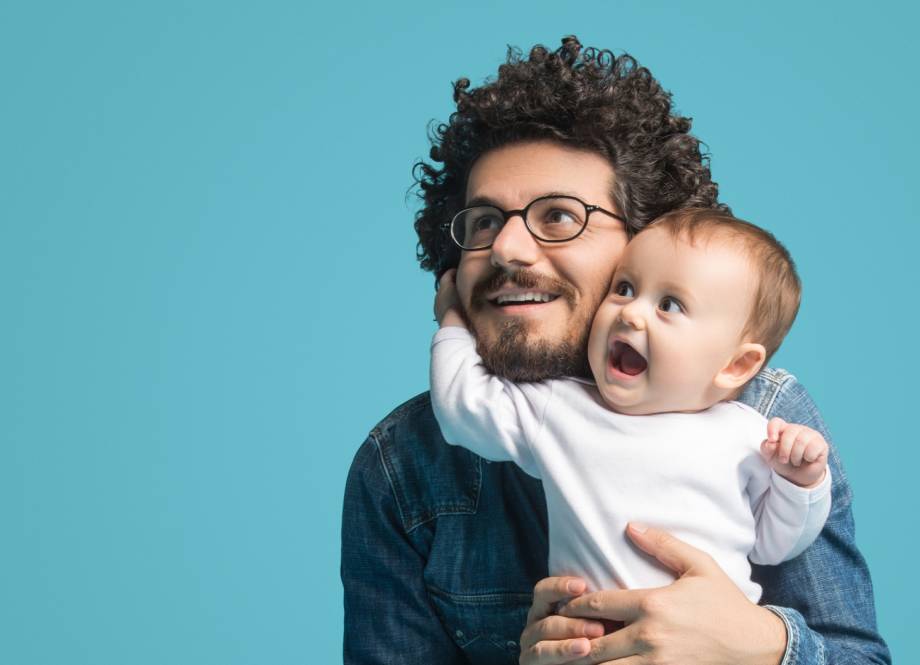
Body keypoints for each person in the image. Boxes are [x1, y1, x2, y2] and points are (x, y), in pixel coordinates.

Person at [341, 36, 890, 664]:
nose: (506, 250)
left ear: (643, 242)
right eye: (485, 221)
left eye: (558, 216)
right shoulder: (402, 464)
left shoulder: (767, 418)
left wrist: (764, 647)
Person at [430, 208, 832, 602]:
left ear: (735, 365)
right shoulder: (557, 407)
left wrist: (801, 482)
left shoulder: (751, 435)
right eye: (623, 289)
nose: (631, 314)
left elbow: (775, 547)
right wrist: (452, 321)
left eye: (669, 305)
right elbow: (461, 407)